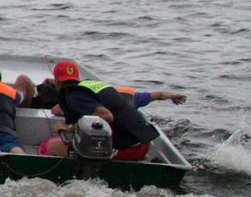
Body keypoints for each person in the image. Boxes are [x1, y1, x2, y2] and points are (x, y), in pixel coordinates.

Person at [45, 59, 186, 161]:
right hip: (144, 144)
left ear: (57, 81)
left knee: (49, 148)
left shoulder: (73, 97)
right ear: (78, 78)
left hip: (124, 150)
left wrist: (69, 128)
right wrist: (173, 96)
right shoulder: (114, 93)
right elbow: (158, 95)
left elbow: (106, 116)